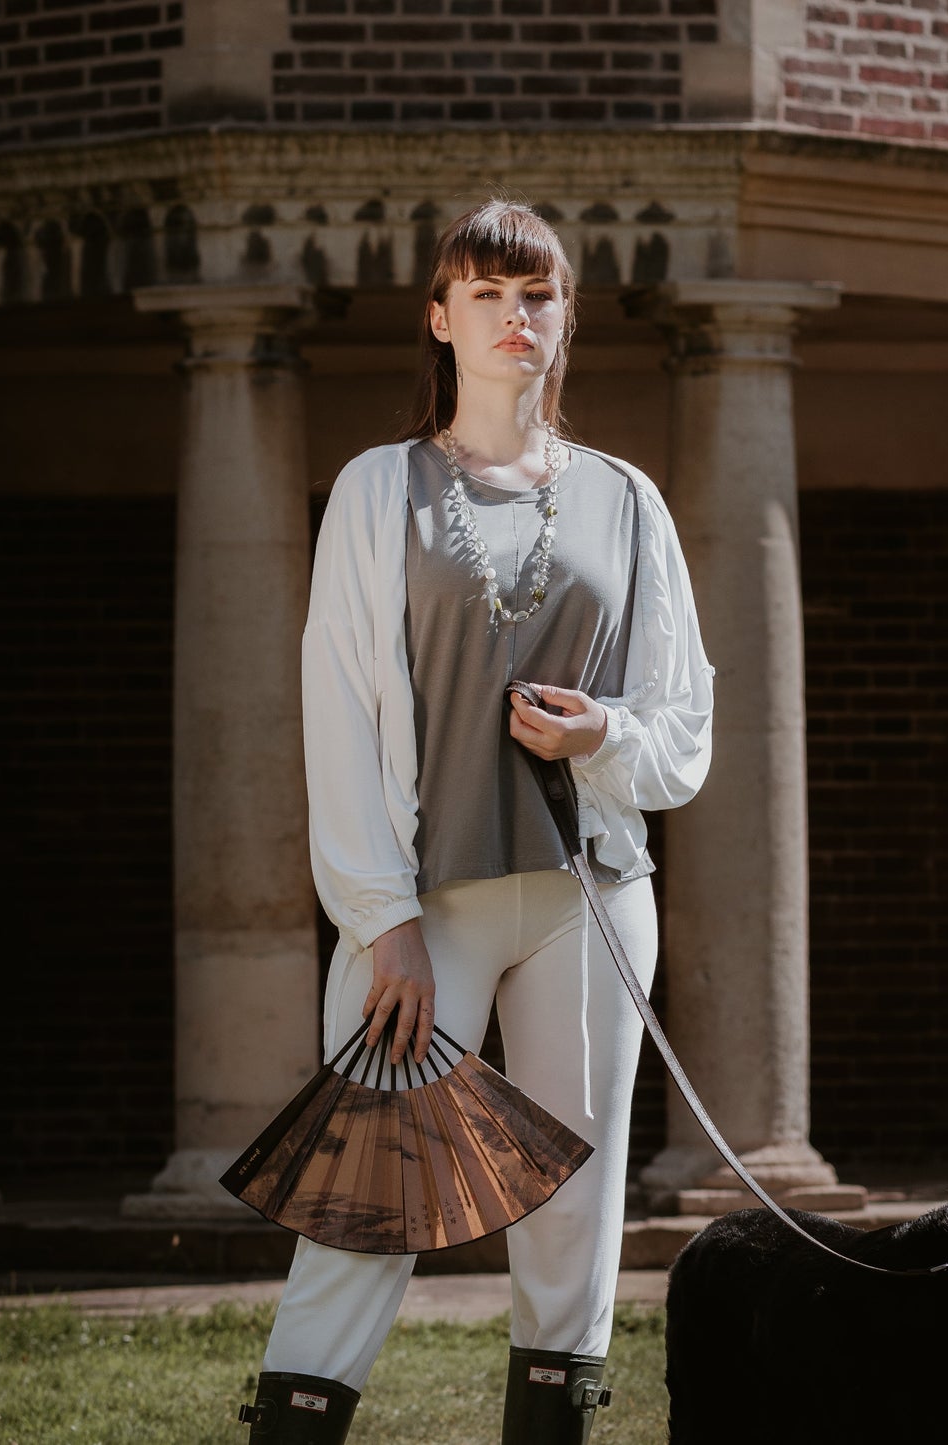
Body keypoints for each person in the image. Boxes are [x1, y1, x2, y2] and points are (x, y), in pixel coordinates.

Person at [238, 197, 715, 1444]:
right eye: (488, 293)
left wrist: (597, 735)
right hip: (422, 907)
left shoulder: (626, 499)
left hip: (589, 898)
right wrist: (378, 921)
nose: (517, 315)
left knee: (573, 1204)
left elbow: (682, 732)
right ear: (440, 319)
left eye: (539, 294)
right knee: (364, 1195)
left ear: (564, 321)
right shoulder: (377, 488)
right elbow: (337, 710)